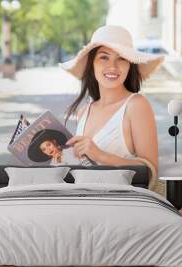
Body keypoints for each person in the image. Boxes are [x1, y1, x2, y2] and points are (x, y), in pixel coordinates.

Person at [60, 25, 164, 189]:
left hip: (122, 207)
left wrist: (101, 156)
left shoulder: (136, 105)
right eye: (104, 57)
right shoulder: (84, 112)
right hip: (84, 204)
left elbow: (150, 173)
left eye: (121, 58)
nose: (113, 67)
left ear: (130, 64)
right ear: (91, 64)